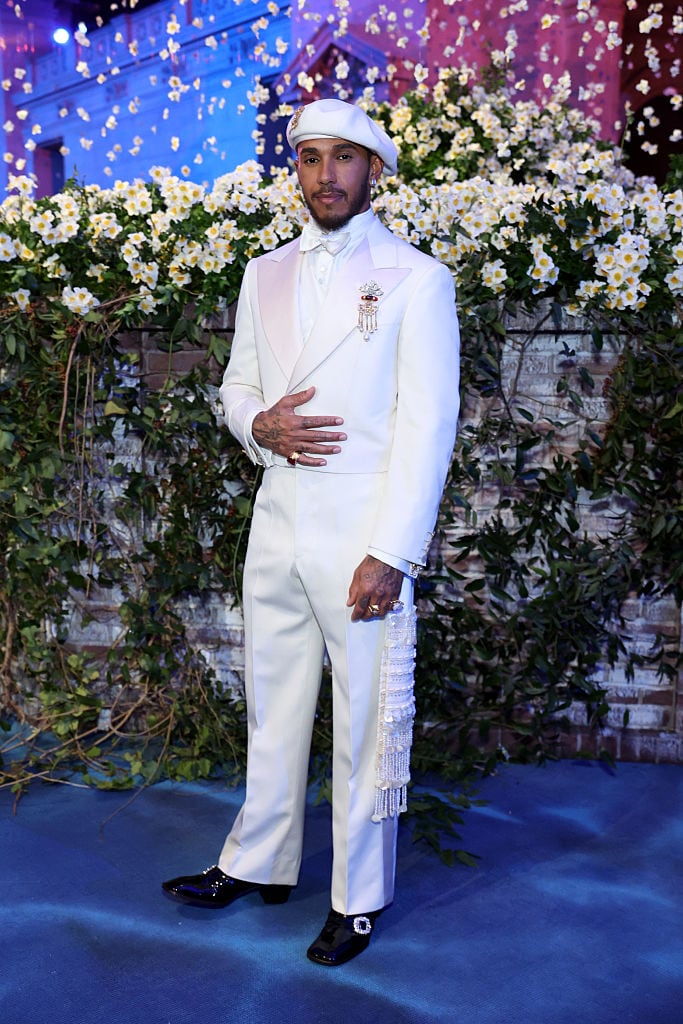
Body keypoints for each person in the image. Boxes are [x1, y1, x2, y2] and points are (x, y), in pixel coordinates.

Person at [162, 98, 460, 966]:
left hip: (363, 531)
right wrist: (258, 426)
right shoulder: (263, 273)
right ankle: (259, 862)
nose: (324, 174)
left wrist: (393, 552)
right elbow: (236, 387)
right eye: (308, 158)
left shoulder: (414, 277)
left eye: (343, 157)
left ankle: (358, 898)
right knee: (274, 704)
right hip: (279, 518)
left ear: (374, 170)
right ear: (294, 170)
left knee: (366, 719)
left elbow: (427, 425)